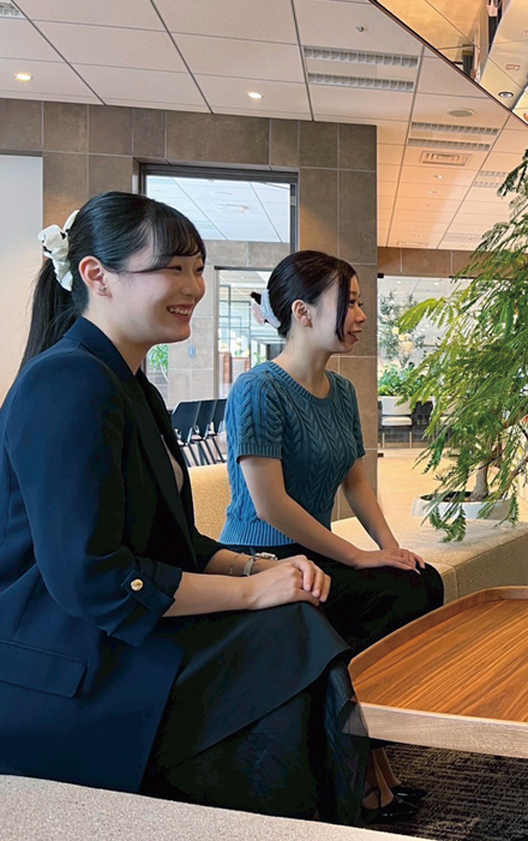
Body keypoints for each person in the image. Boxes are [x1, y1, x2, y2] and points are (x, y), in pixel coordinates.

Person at [0, 191, 367, 823]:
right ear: (96, 276)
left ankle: (325, 808)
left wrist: (257, 568)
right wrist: (251, 592)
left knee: (309, 612)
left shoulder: (132, 385)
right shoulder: (66, 381)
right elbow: (94, 579)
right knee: (286, 637)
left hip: (119, 630)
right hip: (66, 660)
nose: (194, 287)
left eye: (198, 269)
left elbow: (174, 540)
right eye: (172, 268)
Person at [219, 250, 444, 816]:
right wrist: (358, 557)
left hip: (314, 554)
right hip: (261, 557)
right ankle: (362, 773)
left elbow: (356, 479)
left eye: (361, 302)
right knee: (377, 597)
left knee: (421, 581)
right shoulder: (258, 389)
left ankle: (369, 754)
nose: (362, 316)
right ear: (303, 312)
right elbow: (270, 505)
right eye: (350, 302)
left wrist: (389, 548)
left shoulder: (341, 391)